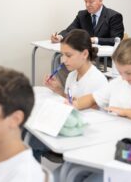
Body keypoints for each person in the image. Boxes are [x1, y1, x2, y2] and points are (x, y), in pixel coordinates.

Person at [30, 29, 108, 162]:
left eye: (68, 55)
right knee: (30, 135)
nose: (63, 60)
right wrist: (59, 90)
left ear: (84, 54)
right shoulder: (72, 75)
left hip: (82, 136)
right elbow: (70, 100)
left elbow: (91, 115)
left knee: (30, 141)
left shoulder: (97, 80)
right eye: (62, 55)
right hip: (69, 127)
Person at [73, 38, 131, 126]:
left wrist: (124, 112)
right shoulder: (118, 82)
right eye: (120, 73)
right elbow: (92, 98)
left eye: (128, 73)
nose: (123, 78)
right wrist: (73, 105)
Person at [51, 0, 124, 46]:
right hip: (87, 56)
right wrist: (59, 37)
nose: (87, 5)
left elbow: (116, 40)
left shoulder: (114, 16)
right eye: (85, 1)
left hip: (106, 59)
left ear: (100, 0)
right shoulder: (82, 15)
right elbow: (69, 30)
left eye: (91, 1)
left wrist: (95, 40)